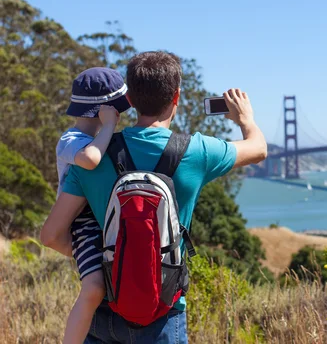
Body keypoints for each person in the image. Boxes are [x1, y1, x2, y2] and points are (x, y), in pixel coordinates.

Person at [41, 51, 267, 343]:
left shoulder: (93, 157)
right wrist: (245, 118)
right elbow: (258, 148)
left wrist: (94, 258)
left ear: (131, 100)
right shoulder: (196, 151)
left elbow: (50, 235)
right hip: (163, 315)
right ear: (176, 97)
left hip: (103, 311)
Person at [55, 67, 131, 344]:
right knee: (94, 288)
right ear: (104, 111)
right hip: (83, 224)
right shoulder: (71, 140)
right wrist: (109, 125)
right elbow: (90, 160)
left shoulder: (99, 139)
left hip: (102, 219)